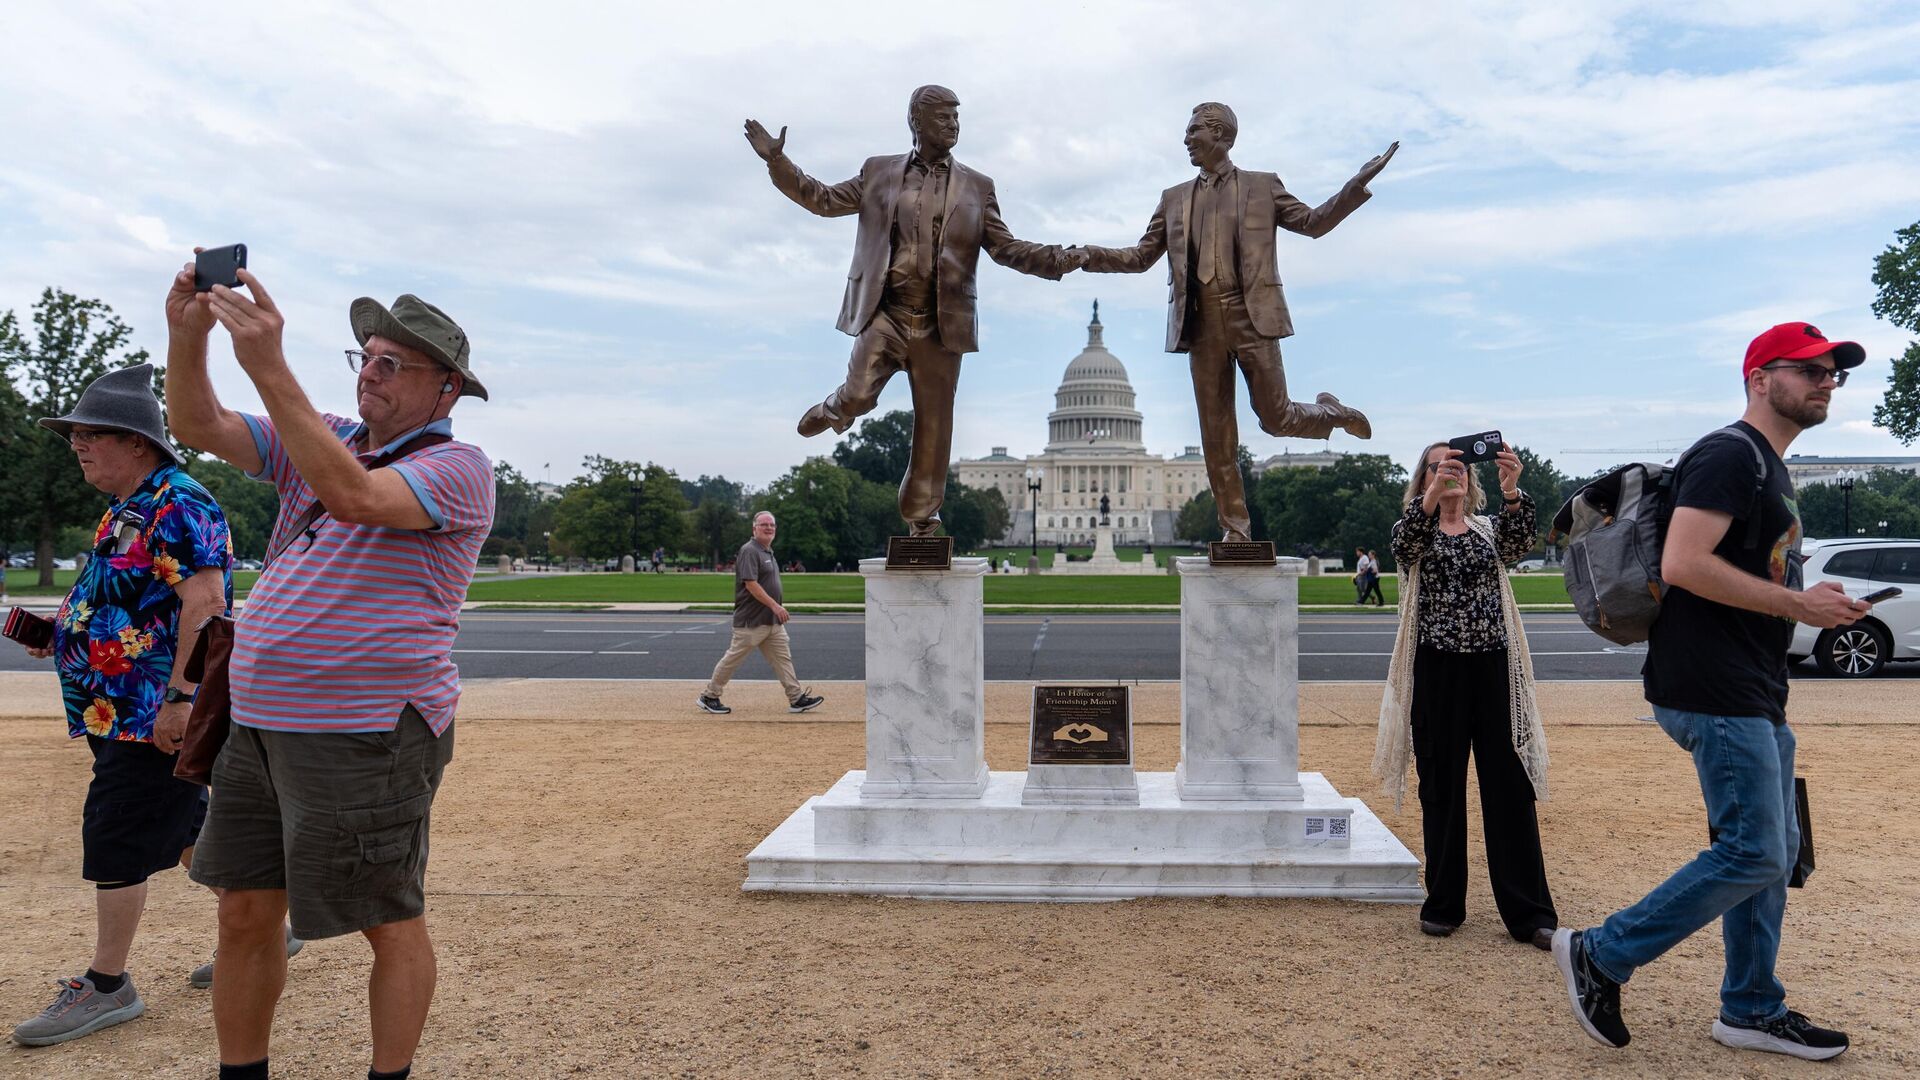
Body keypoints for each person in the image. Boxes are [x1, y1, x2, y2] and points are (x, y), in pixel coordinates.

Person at [163, 260, 495, 1080]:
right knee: (243, 912)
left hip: (367, 732)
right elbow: (197, 423)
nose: (371, 373)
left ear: (446, 390)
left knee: (388, 918)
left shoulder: (461, 469)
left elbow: (355, 496)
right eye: (366, 357)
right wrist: (188, 332)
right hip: (259, 722)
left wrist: (270, 368)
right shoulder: (327, 437)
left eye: (393, 363)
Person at [1553, 323, 1870, 1060]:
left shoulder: (1769, 465)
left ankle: (1751, 1008)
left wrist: (1815, 604)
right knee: (1756, 849)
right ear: (1761, 377)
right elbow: (1687, 563)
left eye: (1835, 373)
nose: (1827, 381)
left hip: (1752, 684)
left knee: (1775, 847)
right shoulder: (1731, 454)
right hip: (1712, 685)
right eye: (1812, 369)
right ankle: (1603, 953)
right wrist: (1801, 608)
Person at [8, 364, 248, 1048]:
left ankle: (108, 986)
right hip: (115, 708)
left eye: (91, 435)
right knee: (183, 831)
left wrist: (180, 699)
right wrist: (61, 636)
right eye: (73, 435)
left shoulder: (181, 503)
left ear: (139, 442)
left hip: (152, 714)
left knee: (115, 828)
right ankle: (264, 920)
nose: (77, 446)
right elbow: (128, 601)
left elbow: (204, 607)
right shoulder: (127, 507)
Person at [744, 85, 1078, 535]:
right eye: (943, 118)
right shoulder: (878, 172)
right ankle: (834, 408)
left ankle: (922, 516)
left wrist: (1056, 258)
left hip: (942, 324)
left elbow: (1006, 248)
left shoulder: (978, 187)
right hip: (887, 311)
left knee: (934, 429)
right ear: (916, 122)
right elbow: (820, 199)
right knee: (861, 393)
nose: (953, 126)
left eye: (957, 118)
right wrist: (777, 161)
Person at [1076, 102, 1393, 539]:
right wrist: (1089, 255)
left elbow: (1313, 223)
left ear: (1221, 136)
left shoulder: (1263, 187)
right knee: (1217, 435)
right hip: (1200, 324)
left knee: (1275, 417)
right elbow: (1139, 257)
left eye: (1194, 132)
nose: (1186, 139)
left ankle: (1329, 413)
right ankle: (1236, 528)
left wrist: (1354, 186)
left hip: (1251, 317)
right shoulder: (1173, 199)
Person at [1374, 440, 1555, 950]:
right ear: (1424, 477)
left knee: (1510, 788)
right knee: (1442, 789)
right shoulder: (1417, 528)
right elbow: (1404, 548)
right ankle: (1444, 904)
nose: (1451, 475)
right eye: (1439, 467)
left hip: (1494, 667)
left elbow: (1521, 544)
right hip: (1436, 671)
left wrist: (1513, 490)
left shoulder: (1488, 530)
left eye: (1457, 468)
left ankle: (1529, 913)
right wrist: (1430, 497)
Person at [697, 512, 824, 716]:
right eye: (764, 524)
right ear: (754, 528)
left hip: (771, 623)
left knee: (783, 659)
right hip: (752, 622)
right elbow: (751, 584)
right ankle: (709, 696)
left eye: (772, 524)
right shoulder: (750, 551)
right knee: (732, 660)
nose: (769, 528)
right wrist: (776, 606)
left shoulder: (767, 551)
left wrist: (774, 611)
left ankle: (796, 698)